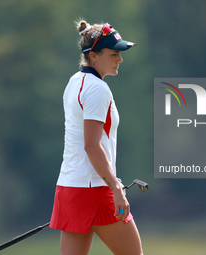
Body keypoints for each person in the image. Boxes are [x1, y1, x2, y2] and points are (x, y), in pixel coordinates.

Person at [49, 19, 143, 255]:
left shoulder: (74, 82)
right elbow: (91, 146)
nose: (120, 59)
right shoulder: (98, 89)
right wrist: (117, 188)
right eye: (114, 54)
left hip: (70, 189)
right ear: (94, 56)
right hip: (95, 189)